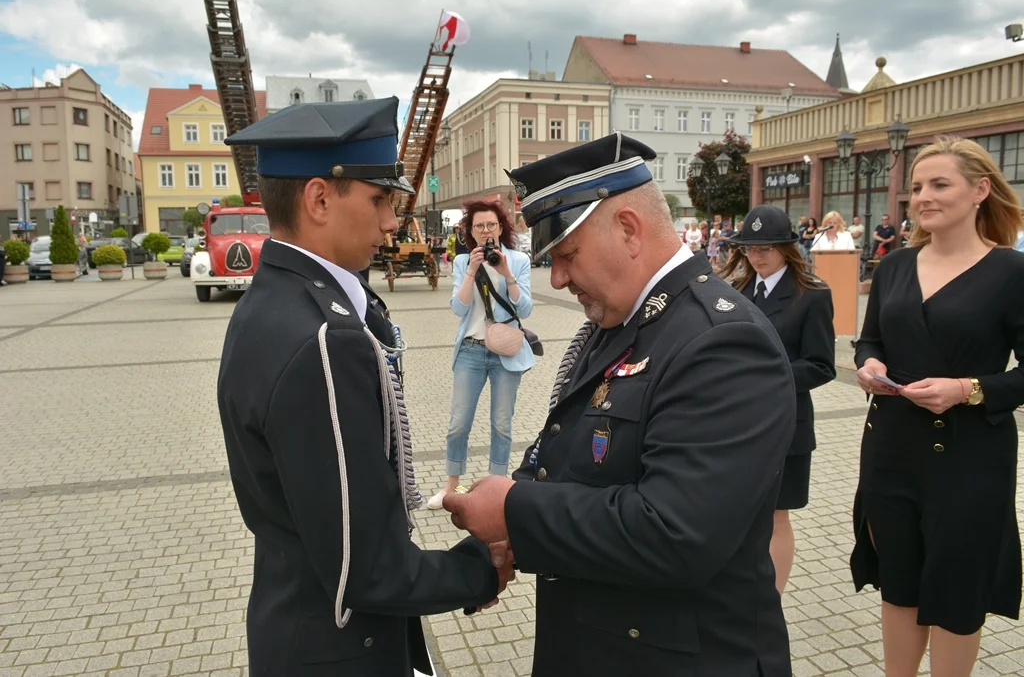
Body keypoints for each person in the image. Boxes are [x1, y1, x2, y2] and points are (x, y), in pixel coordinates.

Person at [442, 132, 797, 676]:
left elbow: (675, 532)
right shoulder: (625, 318)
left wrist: (514, 509)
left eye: (565, 255)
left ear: (629, 230)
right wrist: (507, 532)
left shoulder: (720, 340)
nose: (557, 279)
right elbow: (570, 455)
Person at [216, 97, 512, 677]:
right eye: (378, 200)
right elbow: (366, 569)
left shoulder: (272, 304)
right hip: (341, 649)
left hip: (299, 624)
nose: (390, 222)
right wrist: (483, 566)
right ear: (319, 199)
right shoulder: (327, 338)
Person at [852, 136, 1024, 677]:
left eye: (939, 184)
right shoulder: (895, 266)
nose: (922, 197)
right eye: (918, 187)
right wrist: (869, 367)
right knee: (898, 583)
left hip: (969, 458)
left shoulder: (1010, 273)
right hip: (891, 449)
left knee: (955, 592)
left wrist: (968, 388)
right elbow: (870, 339)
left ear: (980, 190)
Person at [722, 206, 836, 594]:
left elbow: (822, 366)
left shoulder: (813, 295)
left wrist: (766, 377)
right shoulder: (735, 291)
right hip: (737, 421)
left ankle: (770, 598)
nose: (756, 257)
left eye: (766, 249)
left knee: (775, 515)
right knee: (739, 509)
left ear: (787, 249)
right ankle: (740, 586)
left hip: (786, 421)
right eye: (750, 249)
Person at [426, 198, 534, 509]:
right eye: (478, 226)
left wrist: (507, 272)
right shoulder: (462, 262)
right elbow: (458, 308)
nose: (485, 231)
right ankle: (451, 486)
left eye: (491, 225)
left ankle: (496, 491)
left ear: (501, 228)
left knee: (502, 423)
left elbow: (524, 307)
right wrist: (472, 270)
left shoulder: (518, 259)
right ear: (470, 232)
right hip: (471, 352)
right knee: (459, 422)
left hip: (506, 353)